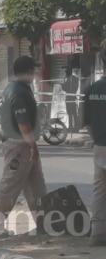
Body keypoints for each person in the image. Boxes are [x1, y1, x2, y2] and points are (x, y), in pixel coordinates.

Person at [0, 56, 47, 237]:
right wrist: (32, 145)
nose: (35, 74)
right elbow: (23, 124)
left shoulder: (19, 88)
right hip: (19, 146)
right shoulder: (18, 92)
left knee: (36, 186)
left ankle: (44, 224)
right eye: (33, 70)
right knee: (10, 185)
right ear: (27, 72)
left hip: (24, 145)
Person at [82, 47, 106, 246]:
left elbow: (88, 123)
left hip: (99, 146)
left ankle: (97, 234)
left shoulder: (92, 89)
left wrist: (98, 139)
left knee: (99, 190)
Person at [62, 66, 80, 133]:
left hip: (70, 97)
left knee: (72, 113)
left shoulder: (67, 79)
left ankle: (72, 127)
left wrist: (63, 85)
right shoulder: (75, 79)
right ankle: (75, 127)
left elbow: (65, 88)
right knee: (73, 113)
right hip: (72, 97)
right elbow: (76, 87)